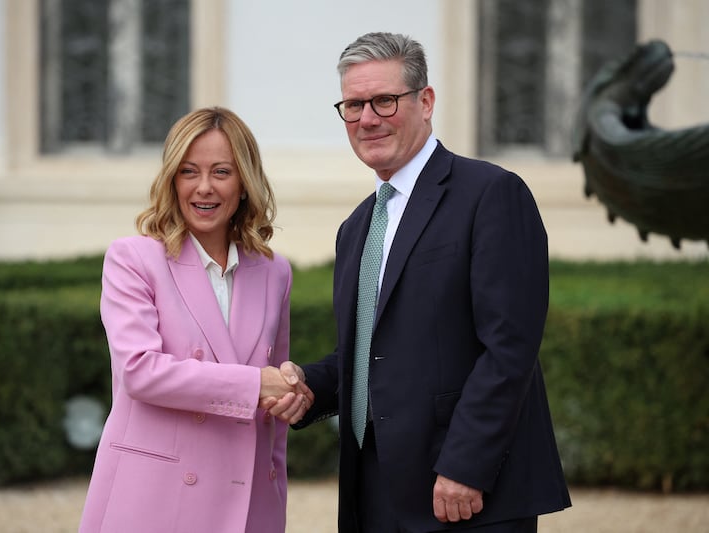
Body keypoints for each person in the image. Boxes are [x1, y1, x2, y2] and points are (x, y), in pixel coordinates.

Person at [267, 32, 571, 532]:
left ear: (425, 102)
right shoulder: (357, 227)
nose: (367, 118)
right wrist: (308, 389)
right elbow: (369, 350)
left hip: (466, 494)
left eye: (384, 100)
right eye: (354, 105)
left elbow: (509, 348)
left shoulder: (492, 194)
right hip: (375, 492)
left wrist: (465, 465)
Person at [79, 106, 312, 533]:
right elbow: (139, 372)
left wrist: (288, 393)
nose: (204, 188)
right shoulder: (134, 259)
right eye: (189, 171)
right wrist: (256, 384)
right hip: (153, 500)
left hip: (248, 500)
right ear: (171, 180)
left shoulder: (274, 270)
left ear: (244, 182)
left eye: (221, 172)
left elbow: (271, 400)